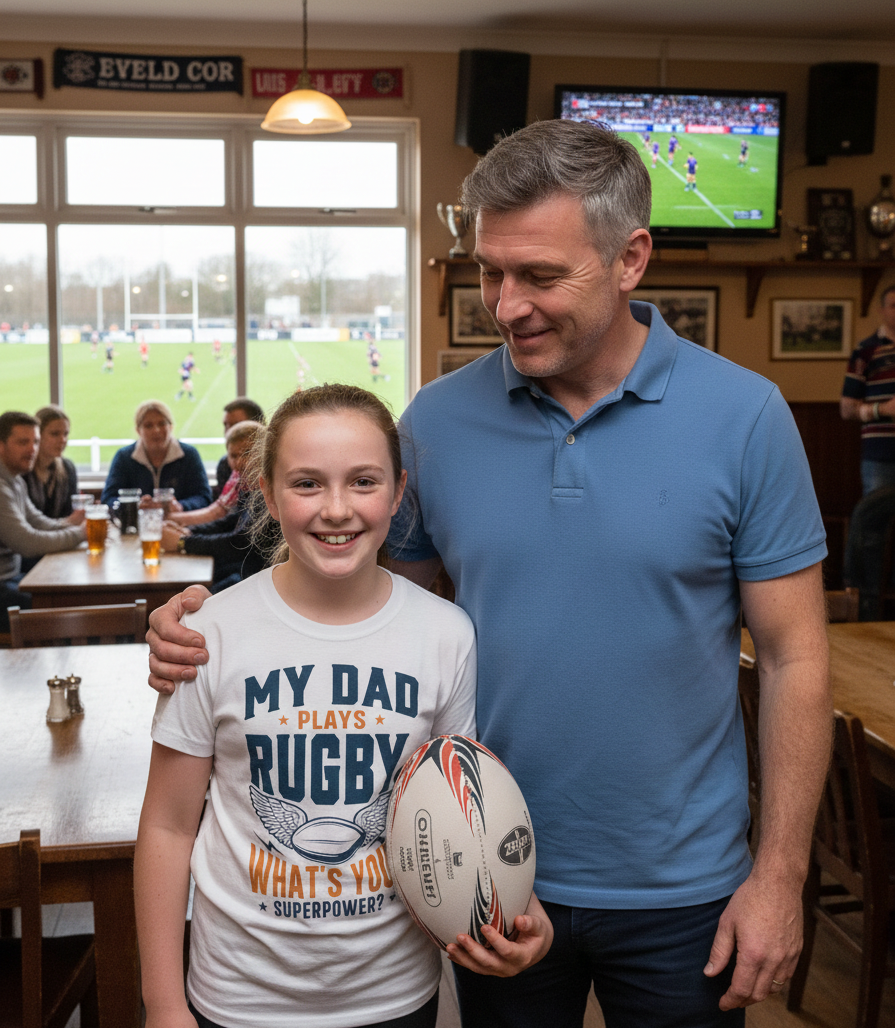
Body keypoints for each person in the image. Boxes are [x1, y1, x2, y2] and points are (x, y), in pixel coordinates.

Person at [146, 120, 831, 1027]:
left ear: (629, 259)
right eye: (489, 272)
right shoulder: (434, 422)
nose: (505, 307)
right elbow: (362, 608)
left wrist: (779, 875)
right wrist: (205, 625)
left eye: (540, 276)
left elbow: (792, 658)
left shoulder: (745, 416)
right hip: (479, 868)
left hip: (684, 885)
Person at [134, 384, 552, 1028]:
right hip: (238, 998)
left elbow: (465, 807)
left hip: (394, 994)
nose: (336, 509)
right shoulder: (208, 633)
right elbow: (167, 827)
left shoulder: (446, 634)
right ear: (268, 494)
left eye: (363, 481)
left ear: (398, 491)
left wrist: (517, 903)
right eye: (307, 483)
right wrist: (164, 1004)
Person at [0, 411, 86, 631]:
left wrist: (73, 525)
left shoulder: (14, 480)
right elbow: (27, 542)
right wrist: (81, 534)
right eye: (23, 442)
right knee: (71, 610)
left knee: (71, 595)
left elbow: (39, 522)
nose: (32, 449)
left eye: (35, 442)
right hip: (3, 586)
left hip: (12, 578)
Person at [101, 400, 211, 512]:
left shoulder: (189, 455)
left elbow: (203, 497)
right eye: (148, 426)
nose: (156, 430)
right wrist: (134, 506)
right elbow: (108, 498)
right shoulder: (124, 457)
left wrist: (180, 506)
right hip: (136, 522)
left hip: (179, 521)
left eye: (162, 424)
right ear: (138, 430)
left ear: (171, 427)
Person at [840, 285, 895, 495]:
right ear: (882, 310)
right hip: (881, 455)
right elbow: (847, 409)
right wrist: (883, 409)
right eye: (894, 306)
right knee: (877, 513)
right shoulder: (865, 350)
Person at [169, 420, 261, 529]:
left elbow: (219, 516)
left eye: (246, 453)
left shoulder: (265, 481)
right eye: (234, 456)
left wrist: (181, 534)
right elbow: (219, 513)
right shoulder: (237, 476)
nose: (239, 462)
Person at [23, 404, 78, 519]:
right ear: (38, 435)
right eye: (55, 434)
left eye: (65, 434)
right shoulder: (23, 470)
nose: (63, 440)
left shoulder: (67, 468)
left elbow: (70, 512)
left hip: (62, 530)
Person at [213, 398, 266, 500]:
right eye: (225, 425)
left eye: (236, 425)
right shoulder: (225, 465)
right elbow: (223, 506)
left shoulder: (274, 470)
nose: (228, 431)